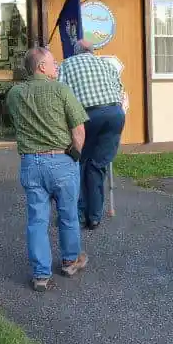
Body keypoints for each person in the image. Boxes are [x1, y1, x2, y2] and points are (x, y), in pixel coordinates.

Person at [5, 46, 90, 292]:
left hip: (31, 162)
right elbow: (79, 129)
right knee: (68, 215)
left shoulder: (14, 94)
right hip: (61, 160)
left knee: (37, 220)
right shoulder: (61, 90)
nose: (57, 67)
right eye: (53, 63)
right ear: (41, 66)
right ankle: (70, 260)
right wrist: (75, 154)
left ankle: (41, 274)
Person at [57, 39, 126, 229]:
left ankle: (77, 213)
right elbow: (120, 90)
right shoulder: (106, 64)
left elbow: (61, 93)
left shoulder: (67, 65)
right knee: (96, 166)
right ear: (92, 51)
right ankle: (94, 217)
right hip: (114, 114)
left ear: (76, 51)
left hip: (87, 116)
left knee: (77, 161)